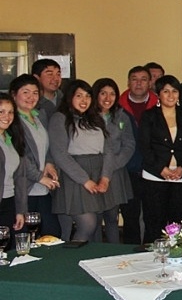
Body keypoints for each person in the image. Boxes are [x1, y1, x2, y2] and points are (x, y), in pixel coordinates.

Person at [48, 80, 128, 242]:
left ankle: (89, 261)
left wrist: (105, 178)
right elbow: (60, 154)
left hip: (99, 174)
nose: (84, 100)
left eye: (87, 96)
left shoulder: (94, 119)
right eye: (79, 96)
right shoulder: (60, 118)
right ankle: (69, 261)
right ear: (70, 97)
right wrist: (85, 180)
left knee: (96, 226)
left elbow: (108, 151)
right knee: (87, 225)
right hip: (75, 177)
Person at [138, 75, 182, 242]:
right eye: (166, 91)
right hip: (155, 177)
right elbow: (145, 147)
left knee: (179, 224)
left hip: (181, 177)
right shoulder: (149, 116)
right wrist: (161, 169)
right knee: (155, 224)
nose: (170, 95)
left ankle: (178, 260)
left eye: (174, 91)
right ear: (158, 94)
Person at [9, 74, 60, 238]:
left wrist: (50, 163)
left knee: (52, 234)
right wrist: (39, 176)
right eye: (26, 92)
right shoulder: (10, 120)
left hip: (43, 188)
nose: (31, 97)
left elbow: (49, 145)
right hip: (25, 187)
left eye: (35, 93)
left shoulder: (40, 116)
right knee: (26, 237)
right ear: (14, 95)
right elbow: (19, 156)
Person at [92, 77, 136, 243]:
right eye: (103, 93)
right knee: (94, 219)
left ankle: (114, 255)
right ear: (96, 95)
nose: (107, 98)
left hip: (116, 173)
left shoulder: (121, 116)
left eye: (112, 94)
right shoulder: (87, 117)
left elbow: (129, 144)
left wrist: (113, 166)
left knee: (112, 217)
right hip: (93, 173)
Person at [118, 65, 157, 245]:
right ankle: (129, 255)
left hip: (154, 171)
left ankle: (152, 255)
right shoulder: (117, 107)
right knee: (130, 217)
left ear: (150, 82)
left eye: (143, 79)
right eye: (135, 79)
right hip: (127, 171)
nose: (139, 83)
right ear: (128, 82)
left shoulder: (160, 104)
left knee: (152, 217)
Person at [0, 93, 28, 235]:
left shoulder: (12, 139)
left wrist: (20, 211)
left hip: (9, 201)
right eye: (1, 112)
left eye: (10, 112)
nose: (7, 116)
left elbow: (20, 178)